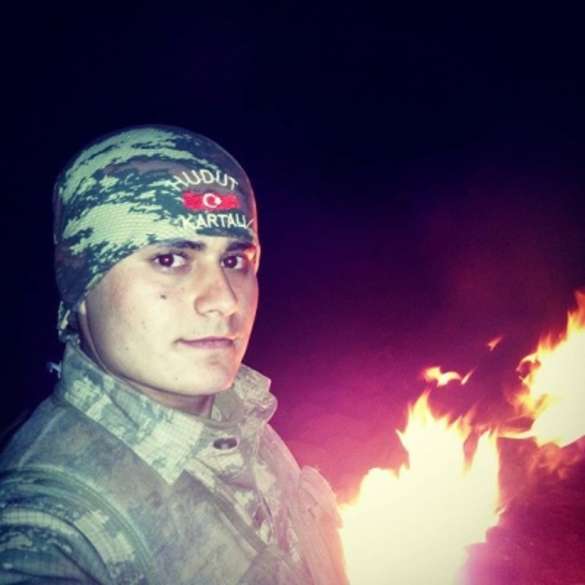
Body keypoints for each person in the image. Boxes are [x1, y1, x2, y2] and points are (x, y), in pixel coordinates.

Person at [0, 126, 348, 584]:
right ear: (81, 287)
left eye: (234, 261)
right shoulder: (51, 522)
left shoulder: (241, 413)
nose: (224, 299)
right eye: (170, 259)